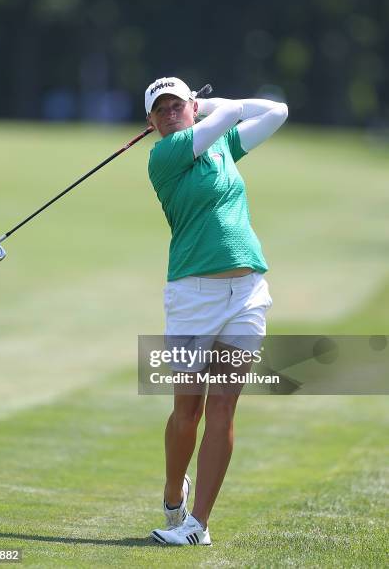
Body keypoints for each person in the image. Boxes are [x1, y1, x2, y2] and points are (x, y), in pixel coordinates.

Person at [145, 77, 288, 545]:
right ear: (151, 122)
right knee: (188, 409)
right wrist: (209, 108)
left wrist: (200, 102)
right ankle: (172, 493)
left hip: (246, 295)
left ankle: (197, 526)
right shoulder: (163, 156)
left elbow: (276, 112)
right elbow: (229, 116)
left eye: (176, 105)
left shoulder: (221, 144)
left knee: (224, 406)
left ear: (191, 105)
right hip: (192, 297)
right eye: (160, 109)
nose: (169, 113)